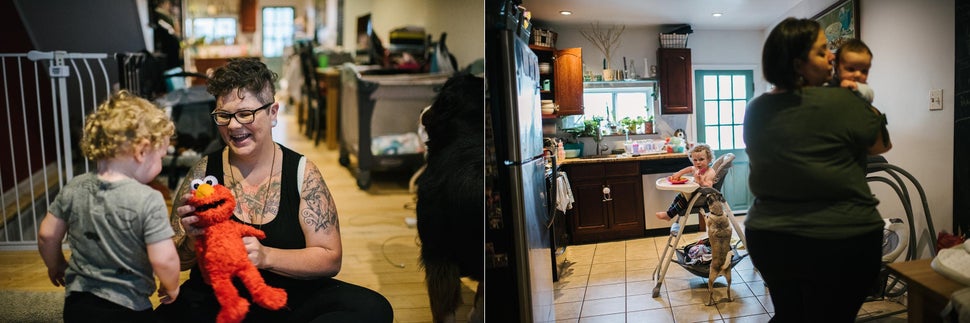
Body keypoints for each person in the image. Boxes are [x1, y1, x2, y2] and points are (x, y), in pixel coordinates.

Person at [154, 58, 393, 322]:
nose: (233, 126)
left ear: (273, 113)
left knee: (373, 309)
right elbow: (177, 261)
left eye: (245, 113)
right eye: (224, 116)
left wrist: (266, 256)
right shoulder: (202, 173)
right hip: (222, 297)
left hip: (290, 296)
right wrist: (190, 238)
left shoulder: (304, 173)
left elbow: (329, 259)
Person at [743, 17, 892, 322]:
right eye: (822, 51)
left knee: (790, 314)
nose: (832, 57)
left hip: (771, 238)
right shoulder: (843, 100)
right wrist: (863, 98)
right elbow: (880, 145)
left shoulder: (756, 108)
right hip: (842, 239)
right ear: (799, 64)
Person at [37, 90, 181, 322]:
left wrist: (56, 265)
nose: (161, 165)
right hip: (129, 308)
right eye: (161, 157)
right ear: (142, 151)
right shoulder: (148, 199)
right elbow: (164, 259)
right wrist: (171, 285)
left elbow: (46, 235)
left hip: (78, 303)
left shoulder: (74, 187)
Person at [655, 143, 717, 221]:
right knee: (679, 196)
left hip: (701, 197)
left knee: (683, 200)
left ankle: (669, 215)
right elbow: (688, 169)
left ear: (709, 159)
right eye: (695, 160)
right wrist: (679, 173)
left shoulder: (710, 172)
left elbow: (709, 187)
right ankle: (669, 213)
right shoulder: (696, 168)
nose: (698, 162)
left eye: (701, 159)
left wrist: (701, 181)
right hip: (694, 193)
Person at [833, 38, 874, 102]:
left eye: (864, 71)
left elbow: (870, 95)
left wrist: (856, 87)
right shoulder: (832, 83)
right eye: (851, 69)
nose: (858, 74)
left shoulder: (862, 87)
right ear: (837, 69)